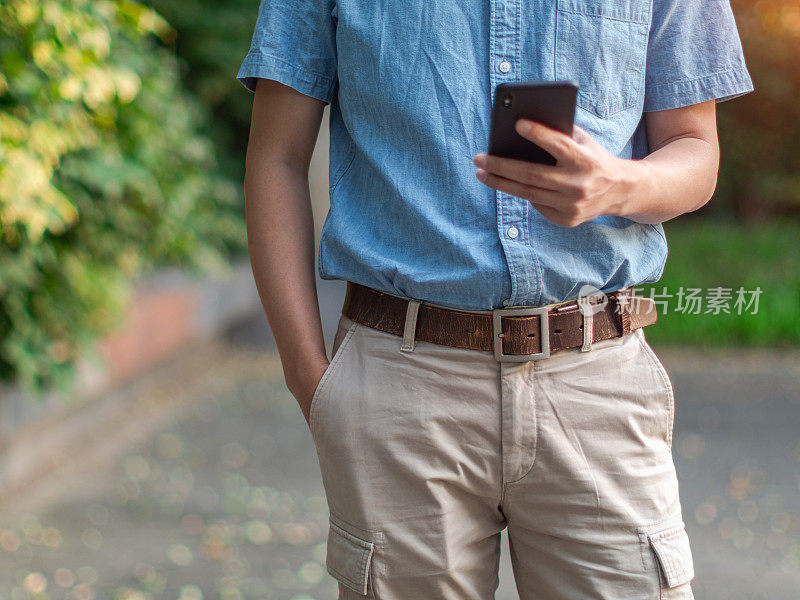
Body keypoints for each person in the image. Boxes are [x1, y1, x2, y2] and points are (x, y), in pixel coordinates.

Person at [237, 0, 753, 597]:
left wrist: (618, 185)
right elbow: (275, 157)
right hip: (400, 390)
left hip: (598, 386)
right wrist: (310, 379)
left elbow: (696, 150)